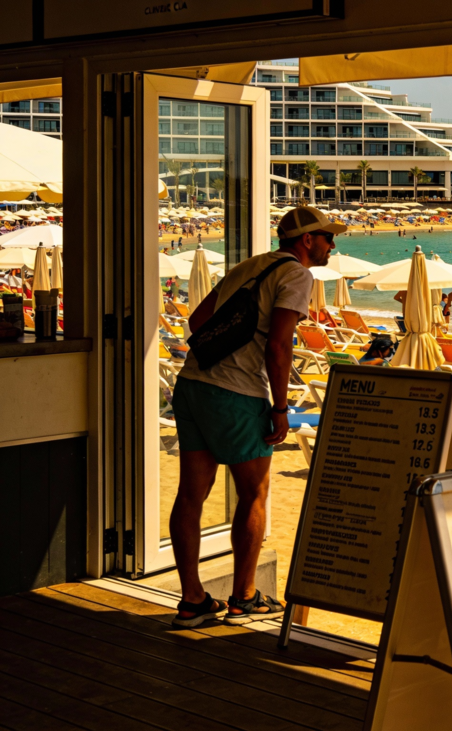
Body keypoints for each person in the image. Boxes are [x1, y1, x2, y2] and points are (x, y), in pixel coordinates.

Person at [169, 205, 340, 628]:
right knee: (254, 494)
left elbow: (197, 320)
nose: (332, 244)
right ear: (306, 240)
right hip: (238, 394)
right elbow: (279, 347)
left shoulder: (250, 266)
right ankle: (243, 597)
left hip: (193, 383)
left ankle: (192, 600)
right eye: (327, 237)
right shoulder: (296, 275)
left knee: (191, 496)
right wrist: (281, 408)